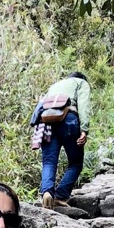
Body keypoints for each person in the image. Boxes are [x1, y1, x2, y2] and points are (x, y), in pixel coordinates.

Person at [31, 69, 92, 209]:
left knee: (49, 162)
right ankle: (60, 196)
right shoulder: (81, 83)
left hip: (46, 121)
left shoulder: (56, 85)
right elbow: (83, 106)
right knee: (76, 163)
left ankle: (46, 193)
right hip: (68, 120)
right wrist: (84, 129)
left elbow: (40, 106)